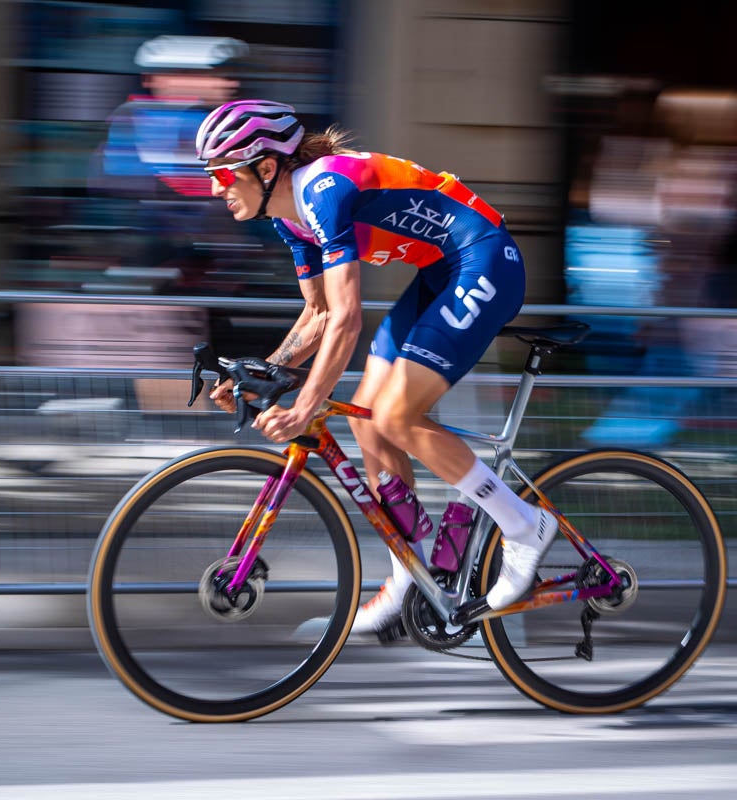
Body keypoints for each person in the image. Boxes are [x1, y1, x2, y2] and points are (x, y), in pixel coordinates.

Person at [196, 99, 557, 635]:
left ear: (266, 167)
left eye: (223, 173)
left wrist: (303, 408)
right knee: (367, 416)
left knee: (395, 416)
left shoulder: (323, 192)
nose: (214, 188)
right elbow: (317, 313)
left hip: (484, 258)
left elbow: (345, 321)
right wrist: (263, 371)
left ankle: (525, 526)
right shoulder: (290, 221)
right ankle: (410, 574)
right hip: (440, 270)